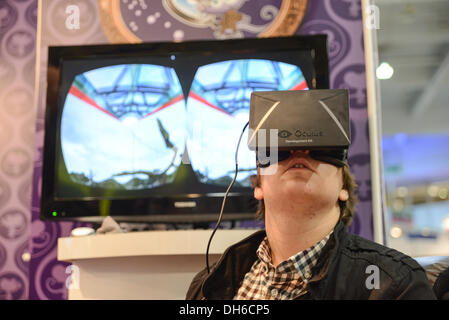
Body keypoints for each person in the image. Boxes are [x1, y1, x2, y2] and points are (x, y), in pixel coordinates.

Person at [186, 149, 436, 300]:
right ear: (258, 187)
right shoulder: (208, 284)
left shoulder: (396, 283)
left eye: (321, 148)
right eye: (280, 148)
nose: (300, 151)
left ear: (343, 189)